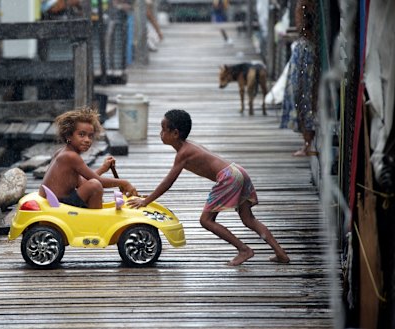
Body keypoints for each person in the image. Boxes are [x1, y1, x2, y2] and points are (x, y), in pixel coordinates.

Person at [127, 109, 290, 266]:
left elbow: (168, 182)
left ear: (175, 133)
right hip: (237, 171)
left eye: (163, 129)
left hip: (229, 178)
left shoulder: (184, 153)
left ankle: (244, 249)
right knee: (248, 219)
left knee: (206, 220)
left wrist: (146, 201)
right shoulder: (188, 147)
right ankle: (280, 253)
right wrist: (149, 197)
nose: (160, 133)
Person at [40, 106, 137, 209]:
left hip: (59, 201)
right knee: (95, 186)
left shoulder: (64, 152)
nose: (87, 140)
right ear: (68, 135)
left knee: (93, 184)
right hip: (59, 205)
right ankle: (95, 221)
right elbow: (97, 181)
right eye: (81, 135)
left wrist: (103, 169)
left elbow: (82, 182)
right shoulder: (70, 156)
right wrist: (124, 183)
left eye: (90, 136)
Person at [280, 0, 318, 156]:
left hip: (307, 51)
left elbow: (302, 28)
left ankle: (308, 143)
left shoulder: (304, 5)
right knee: (303, 97)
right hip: (307, 49)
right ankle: (308, 143)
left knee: (304, 97)